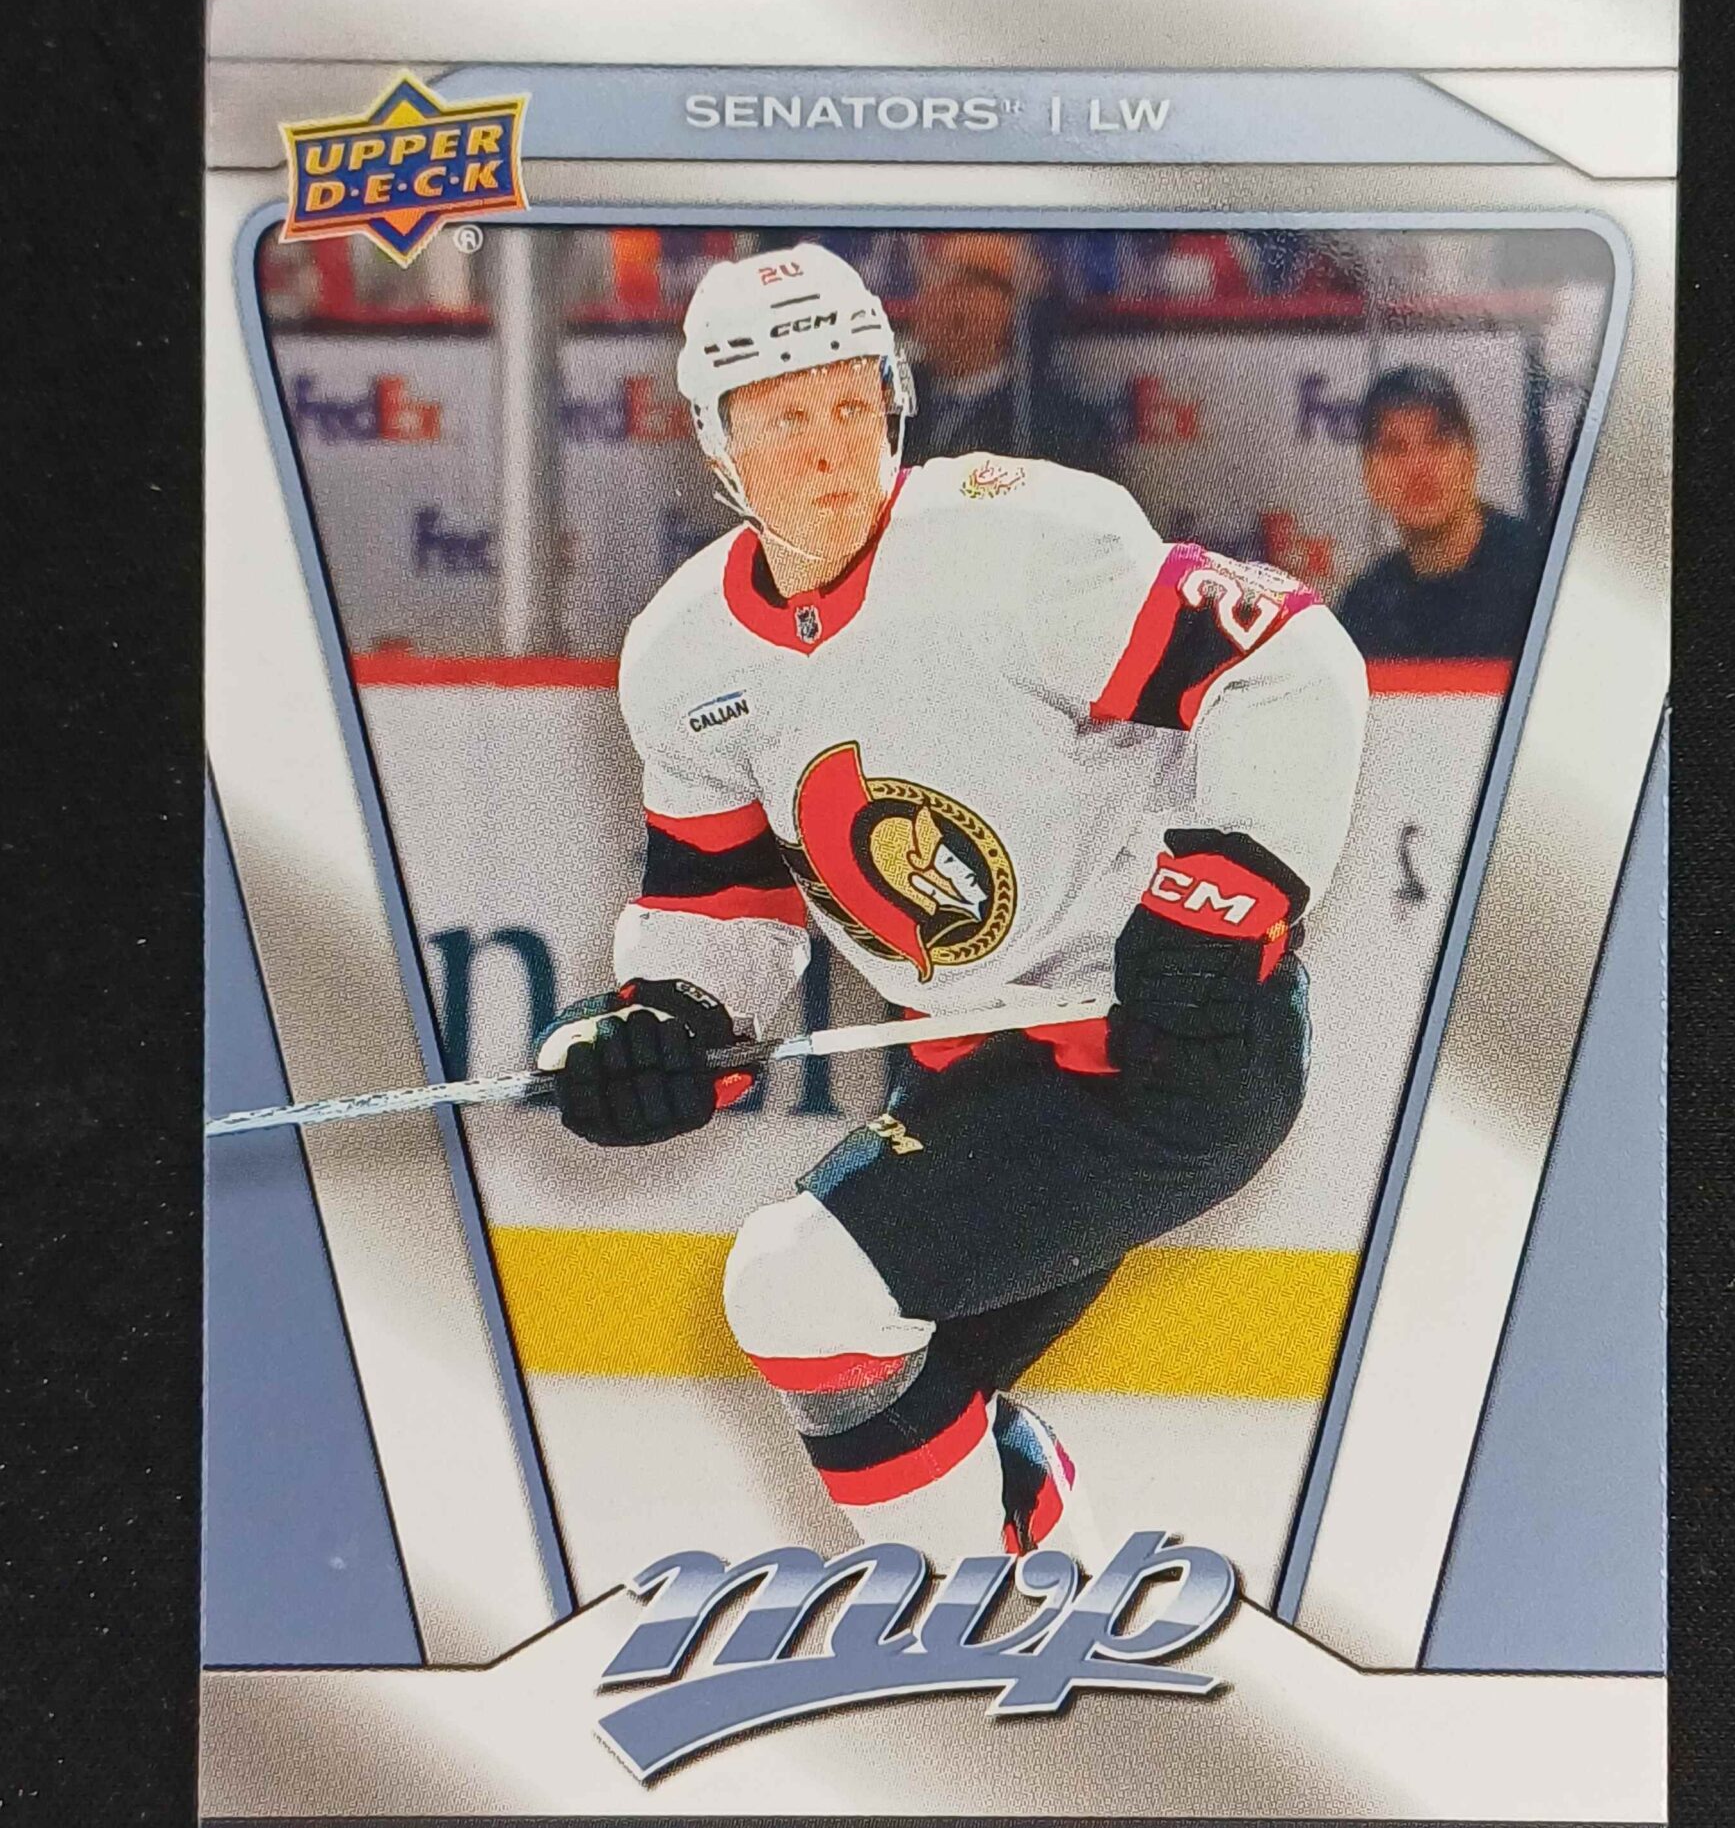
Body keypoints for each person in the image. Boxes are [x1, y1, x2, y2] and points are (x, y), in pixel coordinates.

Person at [536, 244, 1366, 1567]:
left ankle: (981, 1609)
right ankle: (1038, 1584)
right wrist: (666, 1024)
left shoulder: (1013, 543)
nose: (831, 448)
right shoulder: (683, 655)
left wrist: (1223, 898)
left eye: (852, 403)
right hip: (978, 1070)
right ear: (717, 441)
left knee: (799, 1289)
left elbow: (1289, 659)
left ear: (896, 401)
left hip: (1174, 1053)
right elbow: (725, 897)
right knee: (889, 1388)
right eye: (785, 417)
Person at [1337, 366, 1546, 660]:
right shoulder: (1363, 611)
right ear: (1370, 478)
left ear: (1470, 458)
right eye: (1395, 448)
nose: (1419, 467)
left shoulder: (1540, 571)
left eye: (1437, 442)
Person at [901, 233, 1115, 481]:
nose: (939, 296)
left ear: (1016, 308)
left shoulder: (1063, 427)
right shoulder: (888, 401)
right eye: (933, 277)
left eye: (969, 282)